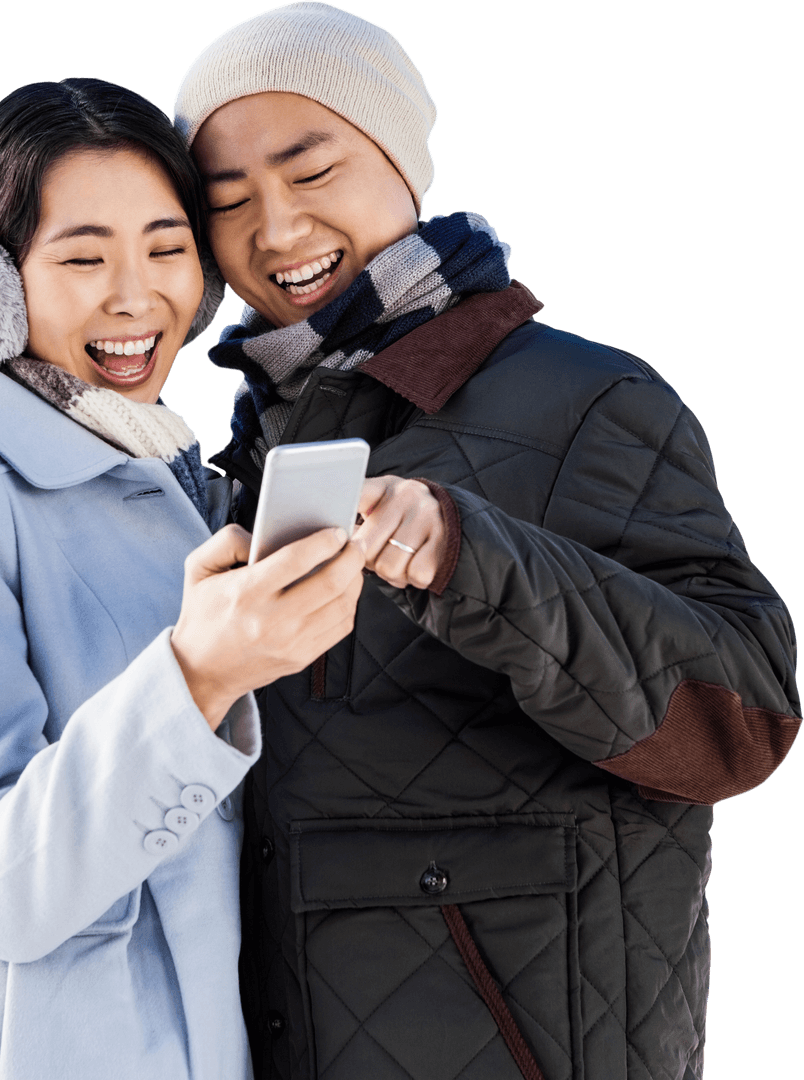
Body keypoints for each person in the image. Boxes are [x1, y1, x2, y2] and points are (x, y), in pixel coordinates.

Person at [172, 5, 802, 1079]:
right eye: (228, 202)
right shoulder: (243, 459)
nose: (275, 230)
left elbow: (741, 722)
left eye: (311, 171)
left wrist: (471, 561)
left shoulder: (586, 402)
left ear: (400, 163)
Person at [0, 77, 367, 1080]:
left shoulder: (180, 481)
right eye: (83, 258)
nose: (134, 296)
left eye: (166, 250)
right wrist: (198, 676)